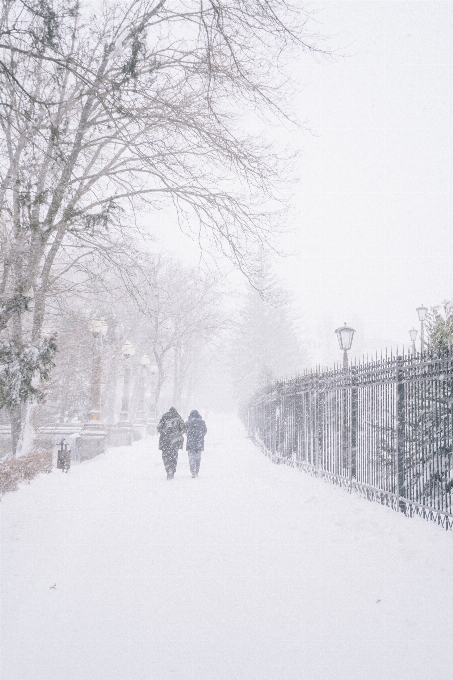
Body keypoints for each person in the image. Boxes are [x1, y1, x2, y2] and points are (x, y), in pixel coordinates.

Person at [157, 407, 186, 480]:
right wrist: (177, 434)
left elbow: (159, 428)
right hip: (175, 441)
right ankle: (172, 470)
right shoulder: (178, 418)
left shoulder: (164, 417)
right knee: (174, 456)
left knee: (165, 456)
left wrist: (164, 433)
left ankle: (168, 469)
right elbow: (183, 429)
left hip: (165, 441)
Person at [185, 410, 207, 478]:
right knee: (198, 458)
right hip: (199, 442)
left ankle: (193, 471)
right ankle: (197, 471)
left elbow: (185, 432)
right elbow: (205, 431)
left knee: (191, 458)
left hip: (190, 443)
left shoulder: (188, 422)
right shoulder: (202, 422)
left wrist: (190, 436)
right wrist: (200, 436)